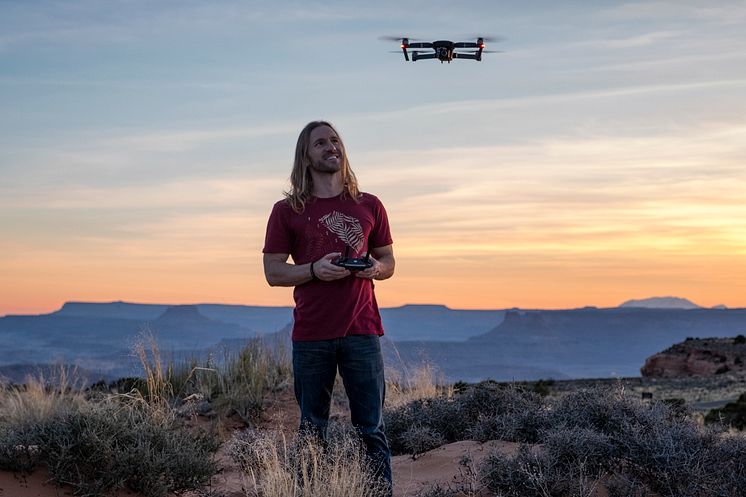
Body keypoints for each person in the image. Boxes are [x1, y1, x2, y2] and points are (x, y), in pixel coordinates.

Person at [262, 120, 395, 493]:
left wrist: (374, 269)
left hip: (362, 331)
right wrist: (315, 270)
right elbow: (273, 272)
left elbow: (388, 262)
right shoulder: (287, 210)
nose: (330, 147)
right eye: (320, 143)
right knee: (311, 428)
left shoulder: (370, 204)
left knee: (371, 427)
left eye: (334, 140)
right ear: (305, 155)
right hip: (312, 335)